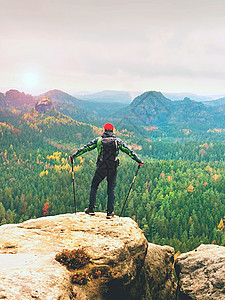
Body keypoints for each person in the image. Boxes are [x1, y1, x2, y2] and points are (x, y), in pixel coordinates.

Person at [69, 123, 143, 219]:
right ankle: (110, 212)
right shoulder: (117, 141)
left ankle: (91, 209)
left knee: (94, 186)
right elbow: (129, 151)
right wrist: (139, 161)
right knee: (111, 189)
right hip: (113, 168)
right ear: (112, 131)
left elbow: (86, 148)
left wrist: (73, 156)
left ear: (104, 130)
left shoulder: (99, 140)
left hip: (101, 168)